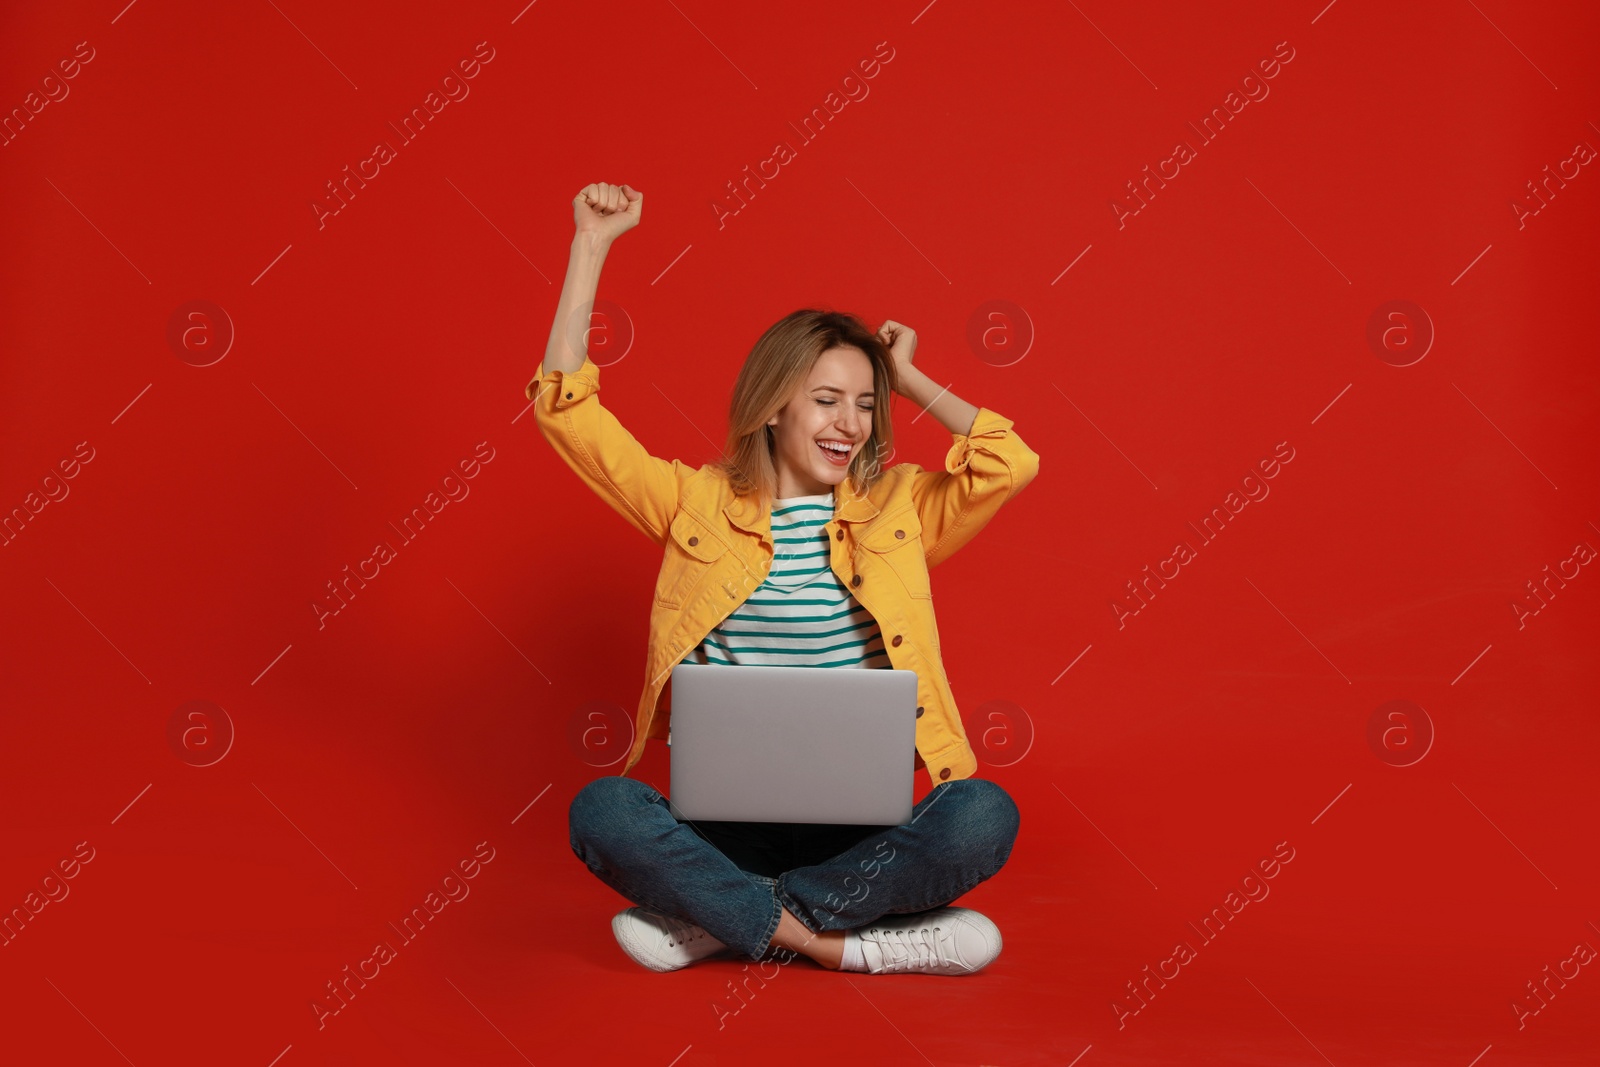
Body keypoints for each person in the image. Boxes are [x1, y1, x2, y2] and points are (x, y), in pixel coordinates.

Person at [528, 181, 1041, 976]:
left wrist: (906, 379)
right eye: (827, 399)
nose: (850, 423)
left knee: (982, 812)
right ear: (773, 406)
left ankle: (717, 918)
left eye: (865, 405)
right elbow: (568, 413)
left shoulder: (898, 509)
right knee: (605, 810)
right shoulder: (692, 501)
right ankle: (836, 944)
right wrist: (590, 247)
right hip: (720, 828)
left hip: (864, 835)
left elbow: (1010, 463)